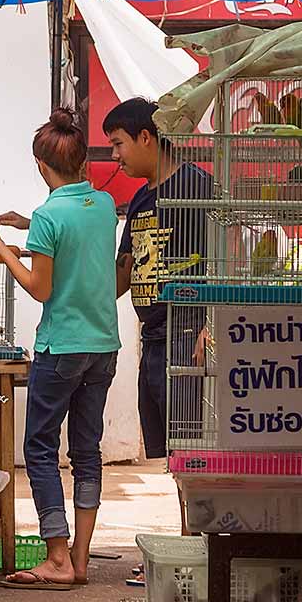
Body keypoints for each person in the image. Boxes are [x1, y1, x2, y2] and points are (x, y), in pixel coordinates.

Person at [0, 109, 120, 590]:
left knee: (39, 447)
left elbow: (39, 288)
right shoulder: (101, 206)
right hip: (103, 347)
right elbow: (71, 230)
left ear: (42, 166)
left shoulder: (47, 216)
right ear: (82, 162)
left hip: (60, 348)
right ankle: (79, 559)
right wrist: (26, 222)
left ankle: (55, 557)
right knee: (86, 451)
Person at [101, 97, 213, 463]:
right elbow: (123, 272)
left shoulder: (196, 187)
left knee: (192, 450)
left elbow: (225, 260)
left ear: (146, 137)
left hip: (187, 334)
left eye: (118, 143)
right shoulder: (138, 201)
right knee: (172, 454)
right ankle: (186, 523)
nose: (115, 156)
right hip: (152, 338)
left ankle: (194, 523)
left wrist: (212, 324)